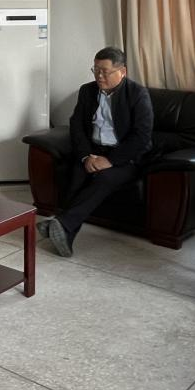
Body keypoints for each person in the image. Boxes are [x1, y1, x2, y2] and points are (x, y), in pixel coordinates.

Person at [41, 47, 153, 257]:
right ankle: (65, 233)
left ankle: (60, 224)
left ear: (122, 72)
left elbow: (142, 137)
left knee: (104, 178)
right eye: (96, 70)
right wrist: (86, 156)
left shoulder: (138, 94)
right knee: (77, 173)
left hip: (127, 158)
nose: (99, 76)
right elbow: (76, 126)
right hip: (94, 151)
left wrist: (110, 160)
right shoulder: (87, 91)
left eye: (105, 71)